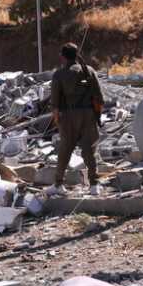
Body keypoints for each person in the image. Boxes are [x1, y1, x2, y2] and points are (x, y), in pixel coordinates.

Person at [47, 42, 105, 196]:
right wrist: (97, 117)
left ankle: (58, 184)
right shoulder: (89, 71)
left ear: (62, 57)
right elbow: (99, 99)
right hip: (88, 115)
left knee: (65, 150)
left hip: (68, 117)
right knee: (89, 150)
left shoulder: (59, 74)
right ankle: (94, 185)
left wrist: (58, 121)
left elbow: (55, 104)